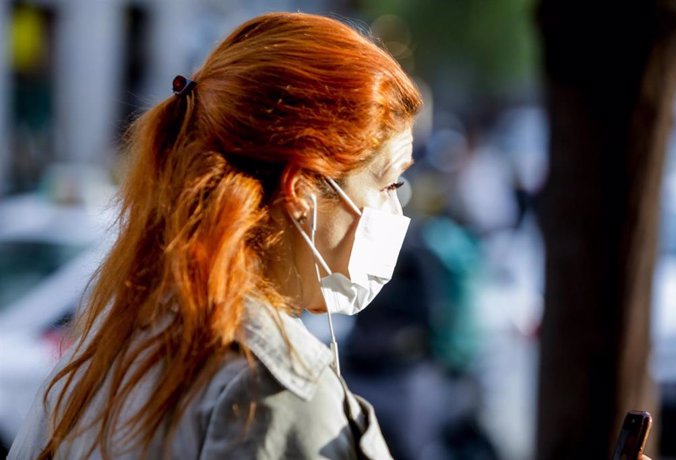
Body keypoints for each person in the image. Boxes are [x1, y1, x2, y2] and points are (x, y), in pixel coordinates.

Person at [8, 12, 421, 460]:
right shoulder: (271, 395)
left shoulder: (102, 353)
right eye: (389, 184)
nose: (395, 210)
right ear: (301, 189)